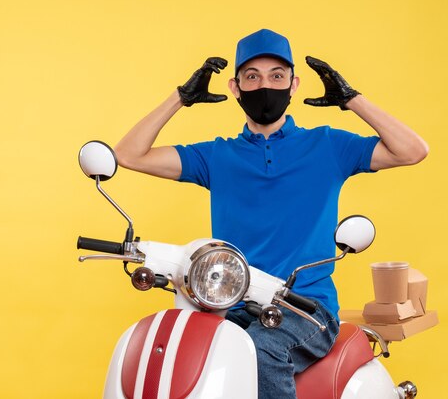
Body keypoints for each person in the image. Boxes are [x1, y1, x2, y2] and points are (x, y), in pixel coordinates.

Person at [114, 28, 428, 399]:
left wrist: (351, 100)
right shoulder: (216, 156)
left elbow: (412, 150)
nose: (265, 85)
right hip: (231, 302)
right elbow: (128, 154)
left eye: (277, 76)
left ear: (293, 85)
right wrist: (180, 98)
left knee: (263, 350)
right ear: (235, 87)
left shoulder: (328, 145)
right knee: (180, 345)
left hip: (305, 309)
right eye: (253, 77)